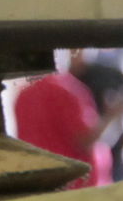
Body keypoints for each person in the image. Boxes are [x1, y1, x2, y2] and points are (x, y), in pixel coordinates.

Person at [10, 56, 109, 185]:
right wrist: (112, 116)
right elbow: (85, 141)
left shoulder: (23, 95)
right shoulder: (66, 89)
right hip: (78, 185)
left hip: (43, 184)